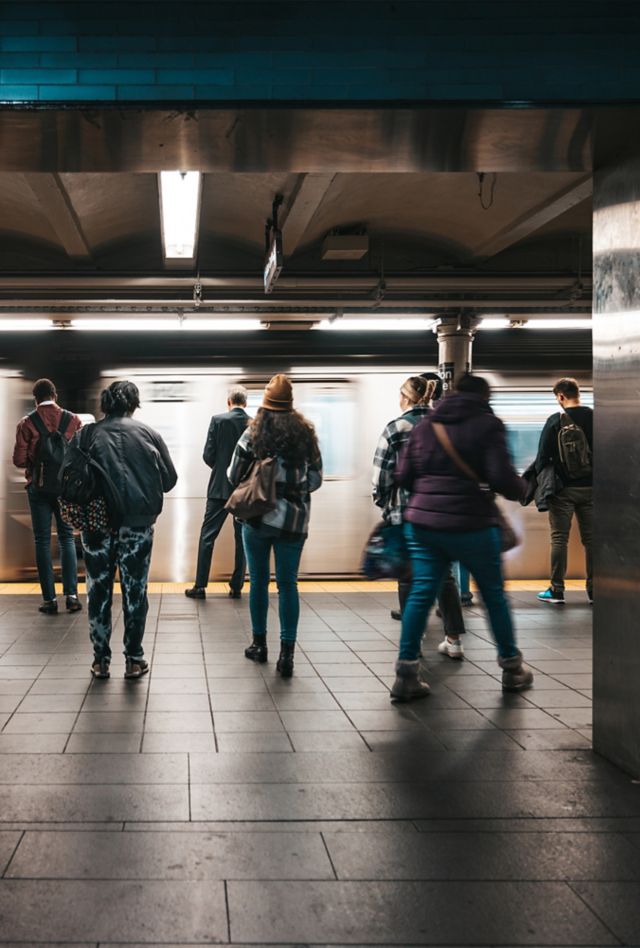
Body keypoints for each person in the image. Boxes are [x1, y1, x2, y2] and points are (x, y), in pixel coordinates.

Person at [391, 373, 533, 701]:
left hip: (424, 526)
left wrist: (430, 495)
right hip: (473, 524)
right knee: (493, 595)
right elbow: (501, 478)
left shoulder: (427, 425)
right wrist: (523, 487)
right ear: (483, 398)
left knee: (420, 594)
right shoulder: (488, 424)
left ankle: (406, 674)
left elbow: (404, 476)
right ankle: (512, 669)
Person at [80, 380, 177, 680]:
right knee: (135, 592)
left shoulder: (88, 435)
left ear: (106, 404)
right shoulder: (149, 434)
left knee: (98, 591)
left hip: (96, 526)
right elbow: (170, 479)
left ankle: (100, 661)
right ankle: (134, 660)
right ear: (134, 404)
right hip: (137, 527)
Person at [227, 374, 322, 677]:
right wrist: (293, 488)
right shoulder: (307, 436)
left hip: (257, 518)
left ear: (265, 405)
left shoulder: (252, 434)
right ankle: (287, 654)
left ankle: (259, 645)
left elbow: (232, 474)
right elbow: (317, 479)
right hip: (294, 522)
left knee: (258, 582)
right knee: (287, 584)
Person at [371, 374, 466, 658]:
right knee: (445, 576)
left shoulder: (395, 428)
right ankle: (453, 640)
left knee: (407, 575)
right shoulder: (448, 427)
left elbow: (381, 476)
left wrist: (385, 504)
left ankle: (415, 634)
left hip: (407, 513)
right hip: (444, 513)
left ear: (406, 398)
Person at [12, 378, 83, 615]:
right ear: (55, 396)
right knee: (67, 539)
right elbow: (81, 455)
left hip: (39, 491)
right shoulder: (73, 420)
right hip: (65, 490)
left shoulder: (26, 423)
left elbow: (19, 460)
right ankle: (72, 596)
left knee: (42, 541)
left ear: (35, 398)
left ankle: (50, 600)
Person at [185, 385, 250, 600]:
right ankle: (237, 586)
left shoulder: (218, 420)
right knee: (242, 539)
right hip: (244, 490)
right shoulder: (253, 423)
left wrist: (221, 467)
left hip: (219, 488)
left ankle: (200, 586)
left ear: (229, 402)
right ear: (245, 403)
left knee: (207, 536)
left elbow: (207, 455)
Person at [534, 377, 593, 605]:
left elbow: (541, 459)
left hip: (563, 490)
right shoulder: (596, 417)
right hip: (592, 488)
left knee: (559, 538)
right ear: (578, 393)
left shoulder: (555, 420)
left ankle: (556, 590)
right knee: (592, 540)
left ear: (560, 396)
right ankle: (595, 591)